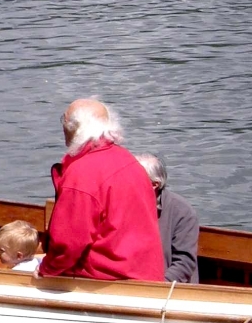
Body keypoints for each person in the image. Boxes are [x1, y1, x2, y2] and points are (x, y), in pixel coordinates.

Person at [39, 98, 165, 281]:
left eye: (64, 121)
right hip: (146, 278)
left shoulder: (81, 173)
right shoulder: (128, 160)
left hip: (104, 281)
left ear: (74, 128)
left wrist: (46, 269)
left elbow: (68, 244)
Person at [134, 153, 200, 284]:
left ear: (154, 185)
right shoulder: (121, 205)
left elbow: (184, 263)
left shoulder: (182, 212)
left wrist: (158, 288)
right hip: (131, 285)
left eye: (133, 179)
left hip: (170, 292)